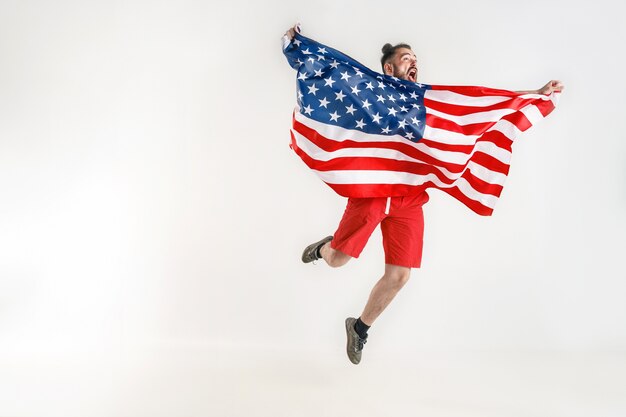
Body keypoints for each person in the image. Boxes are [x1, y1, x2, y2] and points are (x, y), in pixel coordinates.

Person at [283, 24, 563, 365]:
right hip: (373, 194)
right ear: (390, 67)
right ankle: (325, 248)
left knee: (400, 275)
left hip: (410, 198)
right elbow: (335, 69)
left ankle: (359, 328)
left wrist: (535, 93)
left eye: (415, 58)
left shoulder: (428, 101)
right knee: (339, 260)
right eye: (405, 58)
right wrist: (297, 45)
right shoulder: (373, 92)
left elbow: (480, 105)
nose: (413, 62)